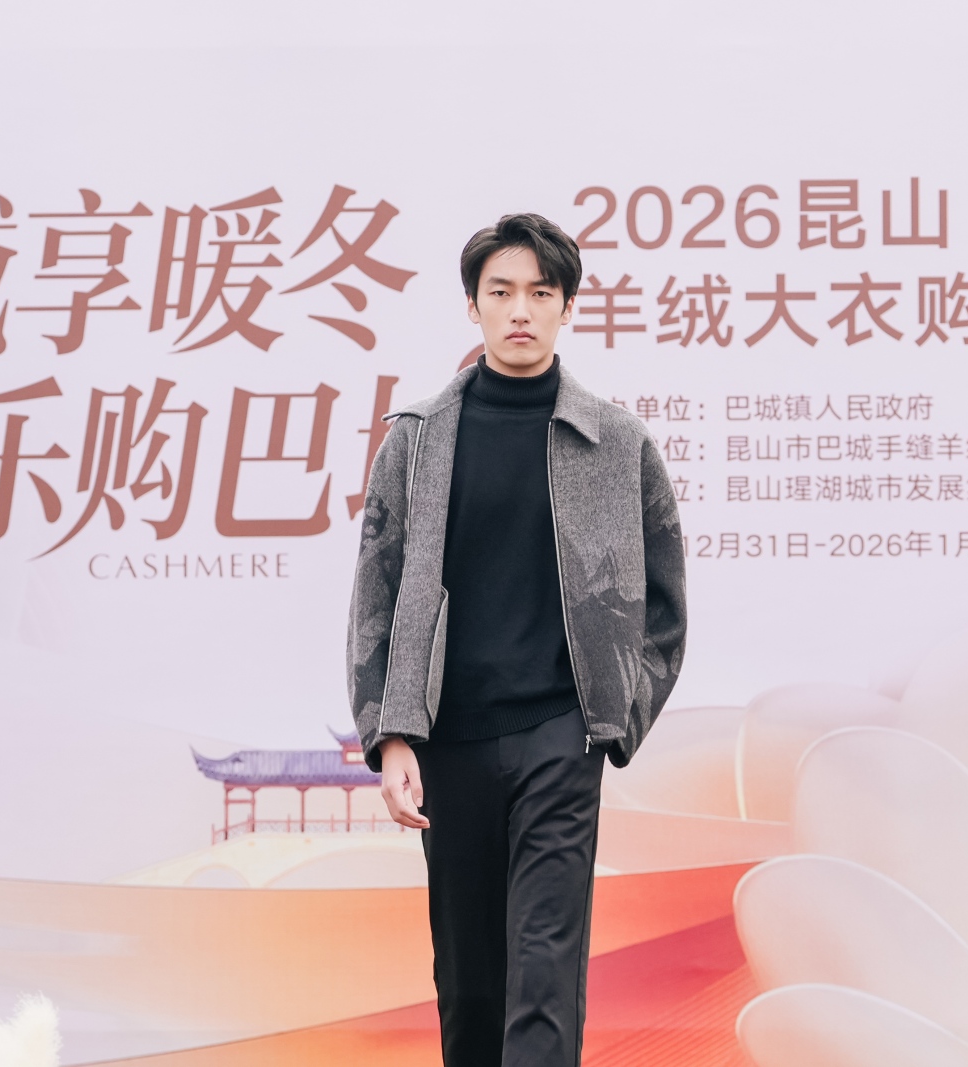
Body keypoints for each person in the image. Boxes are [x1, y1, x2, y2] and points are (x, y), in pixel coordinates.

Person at [346, 213, 688, 1066]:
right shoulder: (416, 439)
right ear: (474, 306)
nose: (521, 310)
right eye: (501, 291)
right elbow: (376, 594)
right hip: (450, 738)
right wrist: (391, 732)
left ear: (567, 305)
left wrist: (615, 717)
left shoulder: (616, 441)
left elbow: (664, 599)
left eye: (541, 291)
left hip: (558, 736)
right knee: (470, 987)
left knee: (544, 972)